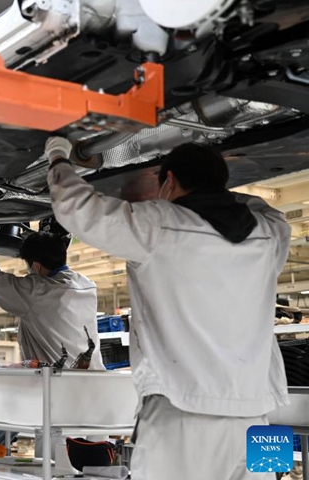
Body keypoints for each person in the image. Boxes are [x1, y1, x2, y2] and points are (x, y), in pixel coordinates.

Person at [45, 139, 290, 480]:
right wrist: (218, 192)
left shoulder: (158, 225)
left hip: (182, 415)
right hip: (260, 418)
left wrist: (57, 155)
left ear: (170, 180)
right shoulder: (269, 234)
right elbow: (269, 212)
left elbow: (77, 208)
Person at [0, 229, 104, 369]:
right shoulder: (87, 284)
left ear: (36, 266)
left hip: (57, 380)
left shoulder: (35, 292)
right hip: (95, 377)